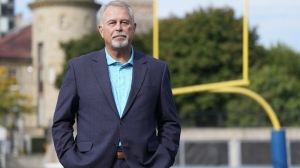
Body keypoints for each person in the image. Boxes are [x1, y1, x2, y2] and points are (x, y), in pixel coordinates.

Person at [52, 1, 181, 167]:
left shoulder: (157, 69)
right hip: (91, 163)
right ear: (101, 30)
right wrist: (72, 161)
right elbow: (61, 122)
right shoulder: (79, 69)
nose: (119, 27)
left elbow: (169, 122)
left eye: (124, 22)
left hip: (144, 163)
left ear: (133, 28)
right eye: (112, 23)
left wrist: (162, 161)